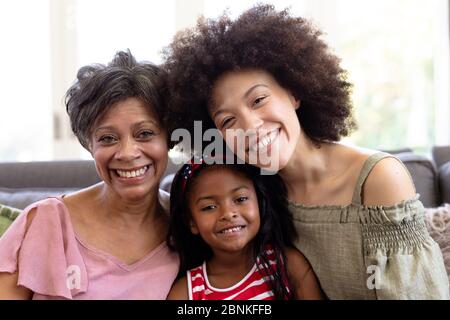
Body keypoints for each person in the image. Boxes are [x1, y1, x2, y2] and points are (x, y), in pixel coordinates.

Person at [162, 4, 449, 299]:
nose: (249, 126)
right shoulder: (258, 196)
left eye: (258, 99)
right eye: (228, 120)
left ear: (295, 92)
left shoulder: (379, 179)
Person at [0, 50, 179, 299]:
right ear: (90, 145)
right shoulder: (44, 221)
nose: (127, 153)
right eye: (108, 138)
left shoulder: (191, 224)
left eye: (145, 133)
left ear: (169, 138)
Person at [166, 156, 324, 300]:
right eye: (209, 207)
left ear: (259, 202)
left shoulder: (288, 264)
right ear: (192, 222)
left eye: (240, 199)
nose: (228, 214)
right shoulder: (186, 293)